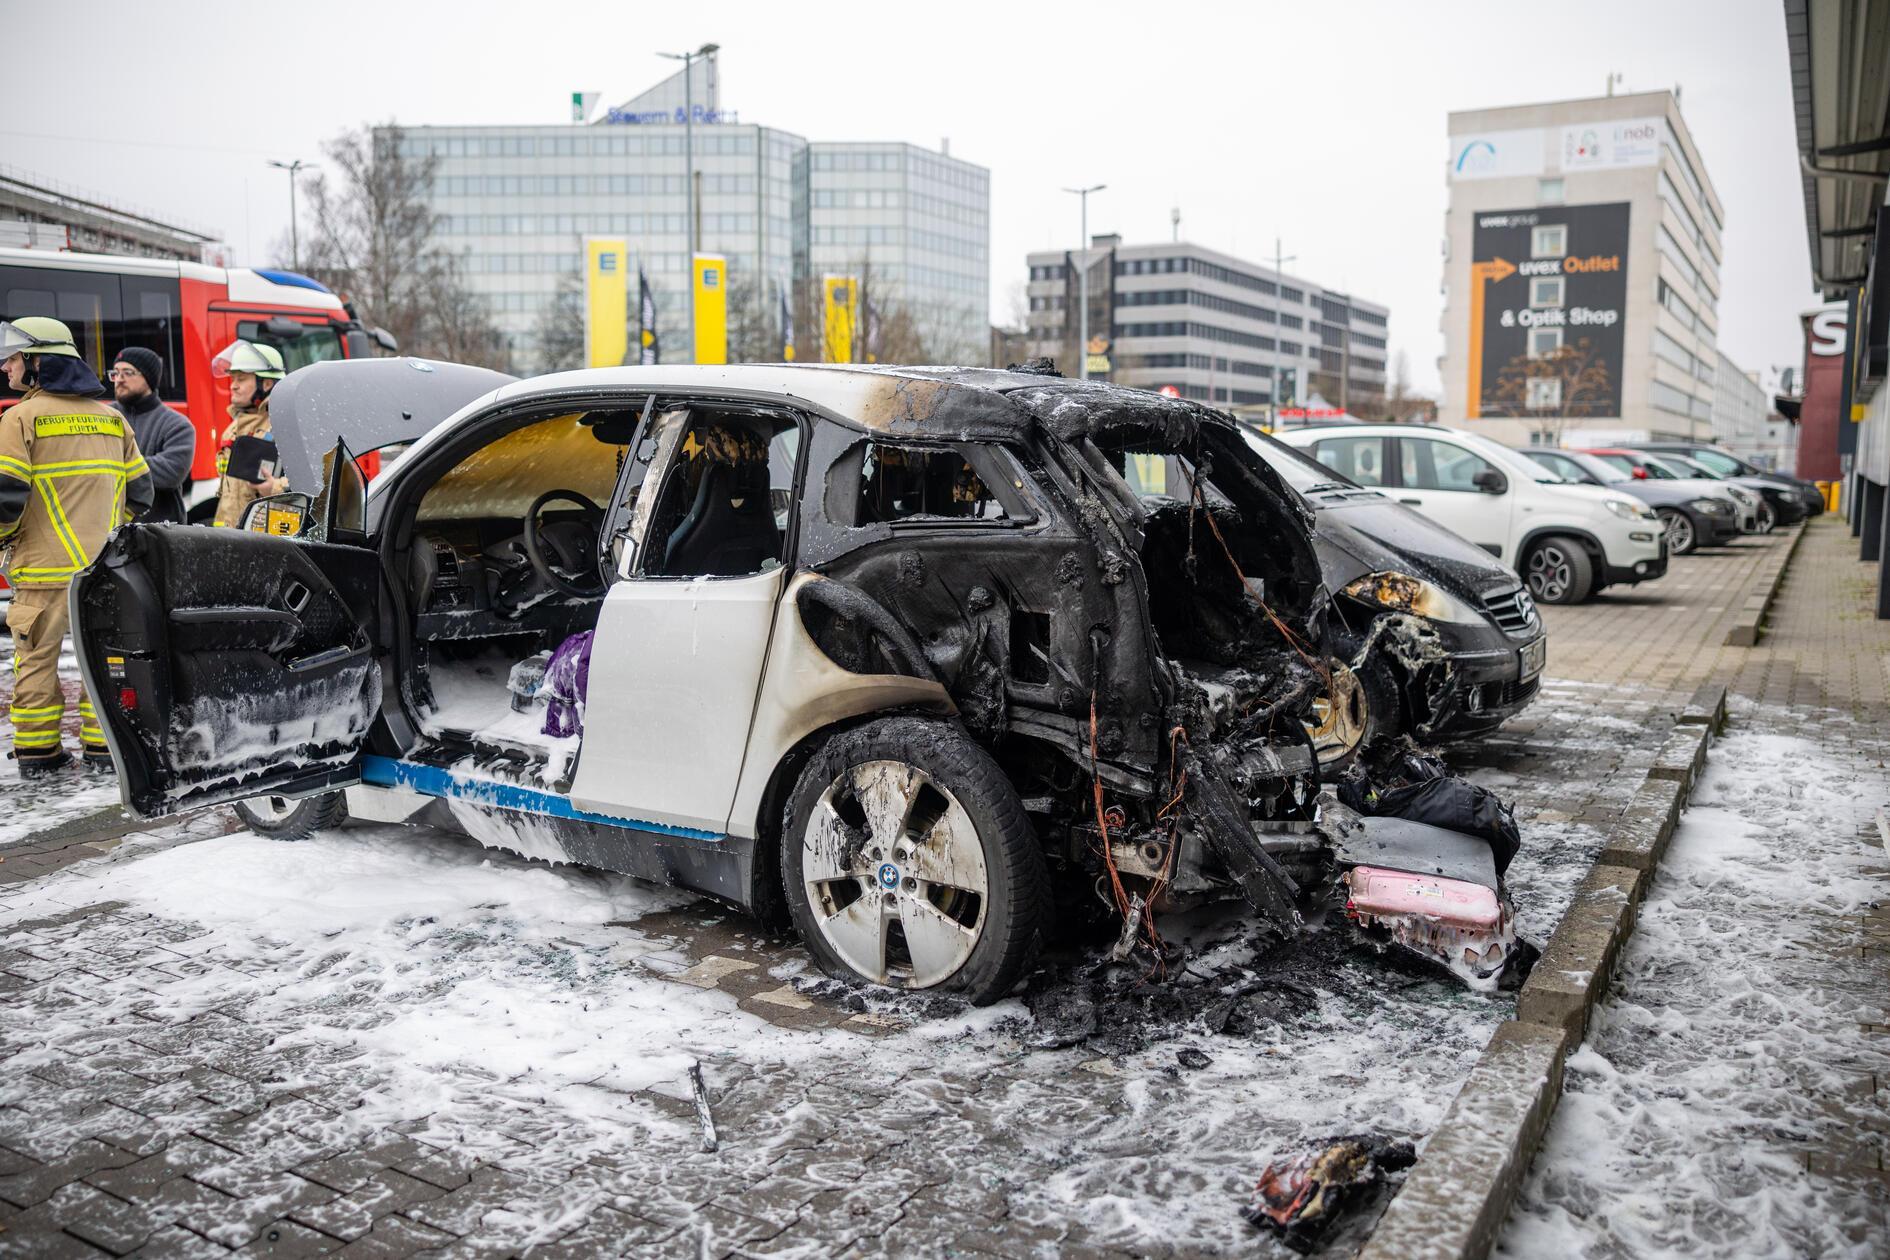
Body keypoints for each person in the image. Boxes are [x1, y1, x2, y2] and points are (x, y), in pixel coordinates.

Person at [0, 317, 153, 776]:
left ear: (37, 362)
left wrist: (6, 540)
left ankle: (39, 754)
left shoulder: (19, 419)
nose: (5, 367)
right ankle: (104, 750)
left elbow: (6, 497)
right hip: (104, 572)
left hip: (43, 574)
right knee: (103, 664)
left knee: (36, 664)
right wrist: (106, 539)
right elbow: (142, 494)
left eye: (12, 359)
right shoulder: (112, 419)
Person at [109, 347, 194, 524]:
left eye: (128, 372)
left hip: (160, 532)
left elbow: (171, 472)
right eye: (115, 373)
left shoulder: (177, 424)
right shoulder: (103, 417)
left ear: (149, 378)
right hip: (110, 528)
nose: (119, 379)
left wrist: (110, 467)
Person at [210, 339, 288, 528]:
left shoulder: (285, 424)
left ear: (267, 383)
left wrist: (276, 488)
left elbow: (316, 480)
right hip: (230, 535)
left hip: (265, 536)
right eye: (233, 379)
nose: (233, 386)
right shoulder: (233, 428)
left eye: (241, 379)